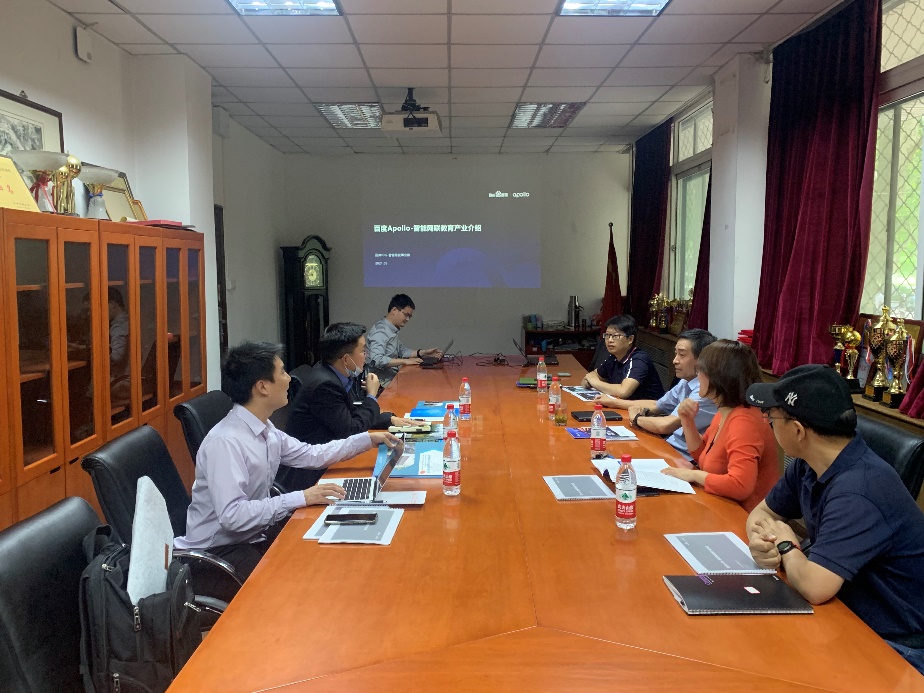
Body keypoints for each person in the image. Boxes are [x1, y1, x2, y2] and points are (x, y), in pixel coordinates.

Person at [175, 341, 400, 600]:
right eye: (282, 372)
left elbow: (313, 455)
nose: (289, 379)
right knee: (293, 592)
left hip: (250, 535)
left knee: (316, 558)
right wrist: (302, 497)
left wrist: (367, 439)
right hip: (215, 554)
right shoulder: (226, 442)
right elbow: (232, 516)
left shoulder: (265, 429)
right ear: (262, 386)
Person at [744, 365, 924, 675]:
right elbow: (762, 514)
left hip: (894, 643)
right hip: (845, 610)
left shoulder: (860, 490)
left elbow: (815, 586)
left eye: (771, 417)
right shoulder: (809, 463)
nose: (768, 424)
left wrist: (785, 544)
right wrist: (764, 543)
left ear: (798, 431)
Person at [660, 339, 778, 511]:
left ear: (718, 377)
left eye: (700, 371)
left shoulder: (744, 421)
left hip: (743, 515)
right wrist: (687, 420)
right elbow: (703, 454)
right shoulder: (724, 411)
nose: (698, 376)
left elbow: (740, 485)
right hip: (719, 503)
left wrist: (694, 475)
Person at [286, 322, 419, 444]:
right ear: (346, 359)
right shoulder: (325, 386)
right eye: (363, 351)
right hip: (315, 458)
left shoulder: (331, 372)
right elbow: (352, 430)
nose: (367, 355)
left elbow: (349, 416)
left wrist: (389, 419)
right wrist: (371, 395)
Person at [604, 328, 718, 459]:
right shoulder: (686, 381)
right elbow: (658, 405)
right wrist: (614, 402)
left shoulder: (704, 390)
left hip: (685, 457)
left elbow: (666, 425)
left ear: (701, 360)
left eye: (682, 355)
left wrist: (636, 418)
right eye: (675, 354)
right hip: (668, 446)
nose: (675, 360)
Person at [581, 314, 665, 401]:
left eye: (615, 336)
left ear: (630, 339)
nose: (610, 340)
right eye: (607, 335)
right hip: (626, 405)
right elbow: (593, 375)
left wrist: (594, 382)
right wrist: (590, 380)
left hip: (648, 409)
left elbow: (623, 391)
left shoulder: (638, 360)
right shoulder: (614, 357)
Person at [366, 294, 442, 388]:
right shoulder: (380, 331)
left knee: (422, 382)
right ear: (394, 310)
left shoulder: (391, 330)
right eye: (406, 315)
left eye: (410, 316)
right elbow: (377, 360)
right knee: (419, 386)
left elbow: (402, 351)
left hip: (391, 378)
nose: (407, 319)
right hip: (381, 383)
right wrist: (404, 361)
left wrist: (423, 353)